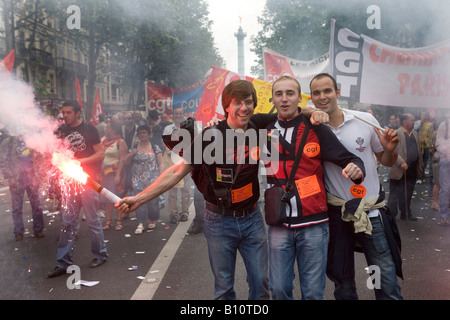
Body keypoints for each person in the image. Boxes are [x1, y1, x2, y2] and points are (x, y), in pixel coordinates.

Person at [117, 80, 272, 300]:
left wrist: (315, 113)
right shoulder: (210, 137)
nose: (244, 107)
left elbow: (291, 111)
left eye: (248, 102)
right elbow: (176, 171)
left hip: (252, 218)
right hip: (220, 222)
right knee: (224, 289)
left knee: (260, 285)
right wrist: (140, 198)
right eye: (237, 102)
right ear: (227, 106)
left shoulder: (257, 124)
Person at [264, 76, 366, 300]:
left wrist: (356, 169)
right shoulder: (264, 128)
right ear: (272, 98)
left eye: (290, 93)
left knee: (312, 293)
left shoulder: (316, 129)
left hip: (314, 225)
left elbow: (350, 158)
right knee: (279, 289)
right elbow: (233, 124)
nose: (284, 99)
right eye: (279, 94)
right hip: (278, 223)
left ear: (299, 98)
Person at [309, 73, 403, 300]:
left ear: (337, 93)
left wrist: (389, 149)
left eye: (327, 91)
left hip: (370, 212)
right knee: (343, 283)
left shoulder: (364, 120)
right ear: (311, 97)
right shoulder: (312, 127)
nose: (322, 97)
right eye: (316, 93)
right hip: (337, 214)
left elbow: (386, 160)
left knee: (382, 278)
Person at [47, 100, 108, 278]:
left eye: (68, 112)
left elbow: (100, 153)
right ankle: (63, 262)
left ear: (77, 113)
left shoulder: (90, 129)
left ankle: (100, 254)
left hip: (87, 182)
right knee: (67, 223)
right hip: (69, 183)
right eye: (63, 112)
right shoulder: (62, 131)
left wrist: (79, 163)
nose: (64, 115)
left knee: (92, 220)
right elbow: (56, 154)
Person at [0, 134, 45, 241]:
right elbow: (3, 160)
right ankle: (18, 232)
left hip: (32, 177)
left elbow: (39, 157)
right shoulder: (8, 142)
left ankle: (38, 229)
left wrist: (39, 175)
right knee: (16, 207)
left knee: (37, 205)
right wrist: (10, 177)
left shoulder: (32, 139)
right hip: (16, 179)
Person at [124, 125, 164, 234]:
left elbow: (160, 163)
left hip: (152, 179)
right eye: (140, 133)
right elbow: (126, 162)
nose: (143, 135)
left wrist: (161, 177)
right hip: (137, 179)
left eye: (144, 133)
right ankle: (140, 223)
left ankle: (152, 220)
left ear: (149, 134)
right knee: (138, 201)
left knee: (152, 201)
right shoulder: (134, 148)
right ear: (138, 135)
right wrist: (131, 155)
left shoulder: (155, 147)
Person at [387, 113, 423, 221]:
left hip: (411, 169)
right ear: (405, 122)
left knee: (408, 192)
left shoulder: (415, 134)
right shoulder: (396, 133)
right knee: (394, 193)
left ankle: (406, 213)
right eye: (412, 120)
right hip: (399, 169)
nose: (414, 122)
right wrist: (401, 162)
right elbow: (392, 151)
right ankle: (391, 216)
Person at [162, 107, 193, 224]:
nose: (178, 115)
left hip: (186, 162)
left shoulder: (189, 127)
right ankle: (173, 214)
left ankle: (184, 212)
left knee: (186, 189)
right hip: (173, 163)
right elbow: (164, 143)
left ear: (183, 115)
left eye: (180, 113)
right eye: (176, 113)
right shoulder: (168, 128)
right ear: (173, 115)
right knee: (172, 190)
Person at [101, 121, 127, 231]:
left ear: (115, 129)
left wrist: (117, 175)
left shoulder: (120, 142)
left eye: (108, 127)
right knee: (107, 198)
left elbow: (122, 160)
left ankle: (119, 221)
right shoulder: (103, 141)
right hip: (104, 174)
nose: (106, 129)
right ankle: (108, 220)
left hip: (115, 173)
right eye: (106, 127)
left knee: (117, 198)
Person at [435, 116, 450, 226]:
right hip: (446, 162)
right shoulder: (445, 124)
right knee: (445, 189)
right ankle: (444, 215)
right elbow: (439, 144)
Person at [417, 111, 435, 185]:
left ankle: (422, 176)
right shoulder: (418, 123)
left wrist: (426, 141)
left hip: (426, 146)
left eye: (424, 115)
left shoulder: (430, 125)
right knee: (418, 162)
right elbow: (415, 129)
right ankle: (418, 177)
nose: (423, 116)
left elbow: (431, 135)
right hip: (418, 146)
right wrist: (421, 123)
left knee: (424, 162)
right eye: (422, 115)